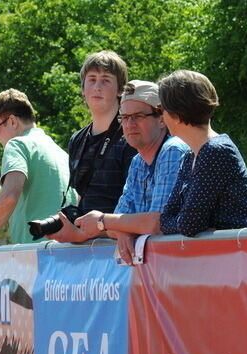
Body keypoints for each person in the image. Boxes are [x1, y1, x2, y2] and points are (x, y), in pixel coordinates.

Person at [93, 70, 247, 241]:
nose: (162, 117)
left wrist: (172, 222)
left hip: (237, 259)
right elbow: (170, 215)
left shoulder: (215, 151)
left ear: (177, 114)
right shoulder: (191, 155)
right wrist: (173, 222)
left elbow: (188, 224)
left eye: (162, 109)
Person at [53, 80, 190, 255]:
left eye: (138, 116)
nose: (129, 124)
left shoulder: (173, 150)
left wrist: (106, 221)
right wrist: (122, 228)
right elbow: (118, 222)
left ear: (162, 119)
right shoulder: (138, 162)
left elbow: (158, 222)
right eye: (124, 117)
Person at [0, 89, 75, 252]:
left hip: (35, 254)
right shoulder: (60, 152)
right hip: (67, 251)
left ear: (12, 121)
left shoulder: (17, 144)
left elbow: (9, 196)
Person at [64, 51, 137, 218]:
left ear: (120, 90)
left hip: (117, 235)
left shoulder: (130, 134)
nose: (97, 87)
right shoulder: (77, 139)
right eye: (91, 80)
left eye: (105, 80)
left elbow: (135, 199)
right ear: (83, 89)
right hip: (83, 237)